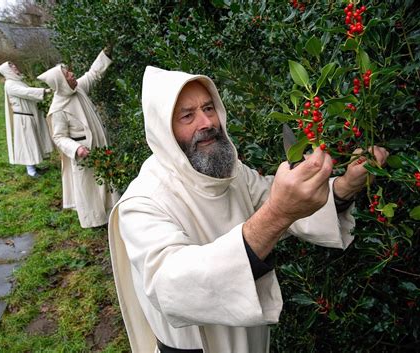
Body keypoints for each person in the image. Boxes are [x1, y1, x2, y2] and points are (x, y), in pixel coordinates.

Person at [108, 66, 389, 353]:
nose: (206, 122)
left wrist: (344, 187)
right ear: (163, 130)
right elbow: (171, 284)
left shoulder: (232, 173)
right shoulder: (142, 203)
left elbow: (282, 201)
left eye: (208, 108)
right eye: (187, 116)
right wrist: (278, 213)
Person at [37, 47, 119, 228]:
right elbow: (58, 137)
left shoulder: (78, 89)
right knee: (90, 188)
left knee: (107, 183)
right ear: (61, 82)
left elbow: (93, 74)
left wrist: (105, 54)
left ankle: (112, 212)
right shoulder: (58, 109)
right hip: (85, 154)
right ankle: (96, 221)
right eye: (68, 75)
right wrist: (77, 149)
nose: (72, 74)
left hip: (100, 148)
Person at [0, 61, 54, 178]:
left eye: (14, 65)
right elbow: (26, 92)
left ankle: (33, 167)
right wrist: (44, 91)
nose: (15, 67)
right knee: (28, 142)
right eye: (11, 67)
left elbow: (28, 93)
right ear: (7, 71)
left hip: (28, 116)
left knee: (32, 141)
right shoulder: (10, 84)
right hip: (23, 118)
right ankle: (31, 171)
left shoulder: (17, 82)